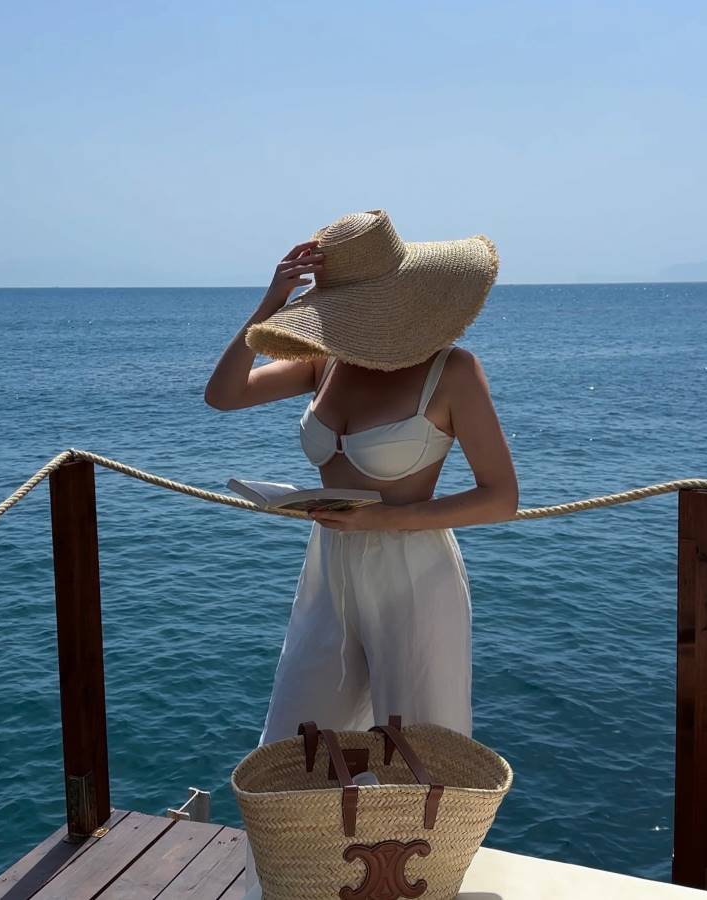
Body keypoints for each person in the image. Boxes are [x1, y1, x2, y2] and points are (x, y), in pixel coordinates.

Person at [204, 209, 518, 897]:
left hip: (416, 574)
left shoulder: (452, 371)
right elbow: (222, 395)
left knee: (422, 755)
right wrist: (267, 309)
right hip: (328, 572)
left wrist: (390, 524)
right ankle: (290, 885)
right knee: (293, 742)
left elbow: (502, 498)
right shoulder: (327, 361)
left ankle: (421, 885)